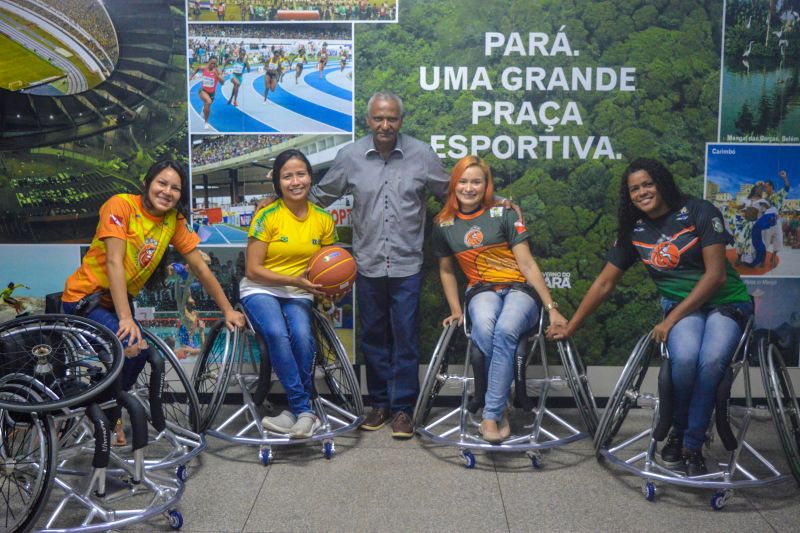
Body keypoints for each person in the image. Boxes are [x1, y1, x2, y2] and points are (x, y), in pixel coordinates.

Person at [547, 158, 753, 476]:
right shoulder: (635, 231)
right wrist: (572, 326)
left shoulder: (700, 211)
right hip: (684, 311)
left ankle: (691, 444)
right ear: (628, 196)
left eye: (648, 184)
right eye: (634, 189)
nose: (642, 192)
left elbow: (716, 277)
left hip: (725, 303)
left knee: (711, 362)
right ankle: (680, 431)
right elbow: (604, 283)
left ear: (661, 182)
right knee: (684, 361)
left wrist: (670, 321)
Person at [309, 91, 449, 439]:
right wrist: (275, 203)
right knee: (373, 337)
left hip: (407, 264)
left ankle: (403, 410)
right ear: (367, 120)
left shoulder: (422, 155)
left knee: (405, 337)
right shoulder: (350, 156)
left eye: (392, 119)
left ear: (401, 121)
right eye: (379, 119)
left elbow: (453, 193)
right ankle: (380, 404)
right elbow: (320, 196)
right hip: (367, 265)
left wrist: (496, 204)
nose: (385, 125)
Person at [62, 160, 245, 392]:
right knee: (131, 351)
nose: (167, 192)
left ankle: (107, 412)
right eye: (162, 183)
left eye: (175, 188)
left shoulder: (173, 220)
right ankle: (103, 413)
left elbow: (200, 268)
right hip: (84, 299)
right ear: (146, 183)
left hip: (115, 301)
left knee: (149, 359)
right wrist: (126, 318)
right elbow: (114, 261)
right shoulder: (120, 205)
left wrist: (228, 310)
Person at [432, 156, 567, 443]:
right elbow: (446, 270)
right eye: (463, 181)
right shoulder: (443, 224)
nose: (469, 188)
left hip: (519, 290)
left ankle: (491, 414)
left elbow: (528, 264)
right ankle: (500, 403)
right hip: (481, 290)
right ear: (454, 184)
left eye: (476, 182)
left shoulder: (504, 213)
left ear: (486, 185)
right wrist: (456, 309)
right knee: (483, 326)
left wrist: (551, 308)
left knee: (505, 329)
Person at [240, 149, 338, 439]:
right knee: (276, 332)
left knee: (304, 337)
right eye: (287, 176)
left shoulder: (323, 219)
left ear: (310, 177)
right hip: (261, 288)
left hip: (299, 291)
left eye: (301, 174)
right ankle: (303, 409)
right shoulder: (266, 215)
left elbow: (328, 263)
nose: (295, 181)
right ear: (278, 183)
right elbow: (253, 270)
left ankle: (296, 413)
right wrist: (295, 279)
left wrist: (328, 290)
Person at [191, 56, 225, 130]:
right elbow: (197, 68)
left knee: (207, 106)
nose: (213, 65)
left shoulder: (217, 71)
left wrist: (217, 76)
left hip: (212, 94)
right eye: (211, 63)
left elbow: (222, 83)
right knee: (208, 102)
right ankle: (206, 122)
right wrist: (191, 76)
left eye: (214, 63)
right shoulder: (204, 68)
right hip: (203, 91)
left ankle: (205, 109)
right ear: (208, 61)